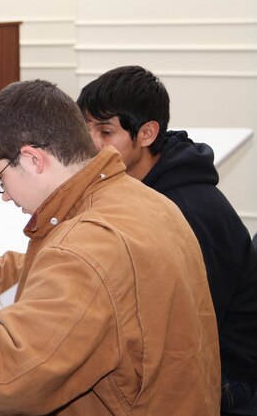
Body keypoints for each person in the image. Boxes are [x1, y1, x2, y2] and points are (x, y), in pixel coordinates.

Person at [0, 80, 219, 415]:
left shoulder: (87, 248)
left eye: (0, 179)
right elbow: (79, 279)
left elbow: (7, 372)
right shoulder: (137, 199)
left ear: (32, 159)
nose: (6, 196)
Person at [77, 65, 257, 411]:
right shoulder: (140, 183)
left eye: (105, 132)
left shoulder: (186, 213)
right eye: (86, 129)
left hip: (227, 374)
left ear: (146, 134)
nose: (92, 144)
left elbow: (184, 334)